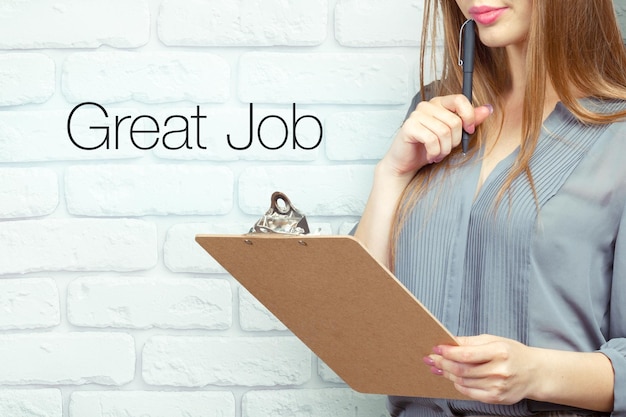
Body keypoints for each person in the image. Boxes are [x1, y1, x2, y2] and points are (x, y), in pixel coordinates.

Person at [354, 1, 626, 416]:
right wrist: (392, 174)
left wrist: (534, 372)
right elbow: (361, 318)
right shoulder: (434, 110)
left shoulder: (617, 134)